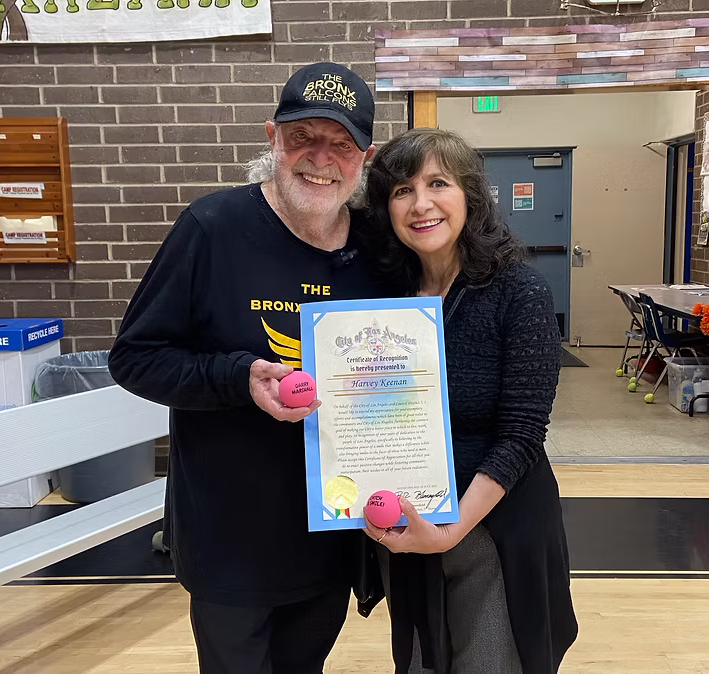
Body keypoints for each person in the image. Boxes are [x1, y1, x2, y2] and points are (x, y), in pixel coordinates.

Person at [108, 62, 380, 674]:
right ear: (272, 138)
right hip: (229, 538)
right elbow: (135, 358)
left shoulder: (376, 247)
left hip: (331, 534)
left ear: (364, 158)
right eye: (303, 136)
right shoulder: (212, 228)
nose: (320, 158)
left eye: (341, 144)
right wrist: (237, 379)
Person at [360, 128, 578, 674]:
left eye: (439, 183)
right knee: (419, 662)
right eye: (402, 190)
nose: (421, 203)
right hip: (407, 527)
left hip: (492, 529)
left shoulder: (519, 292)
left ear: (471, 196)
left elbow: (522, 435)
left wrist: (451, 530)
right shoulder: (379, 298)